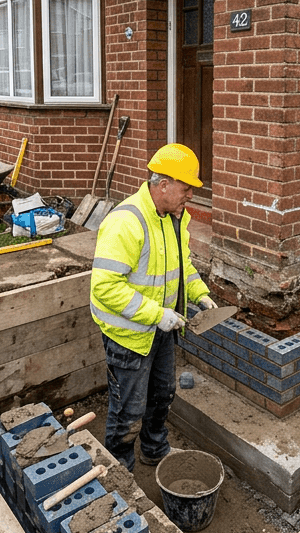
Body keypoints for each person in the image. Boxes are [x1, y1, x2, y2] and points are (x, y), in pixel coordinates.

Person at [90, 143, 217, 470]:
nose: (191, 195)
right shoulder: (126, 222)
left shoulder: (174, 219)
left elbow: (182, 267)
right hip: (129, 334)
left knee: (162, 395)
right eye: (186, 188)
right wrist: (157, 315)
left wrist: (199, 294)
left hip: (162, 330)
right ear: (164, 185)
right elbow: (105, 287)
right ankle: (119, 471)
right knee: (128, 410)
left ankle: (154, 450)